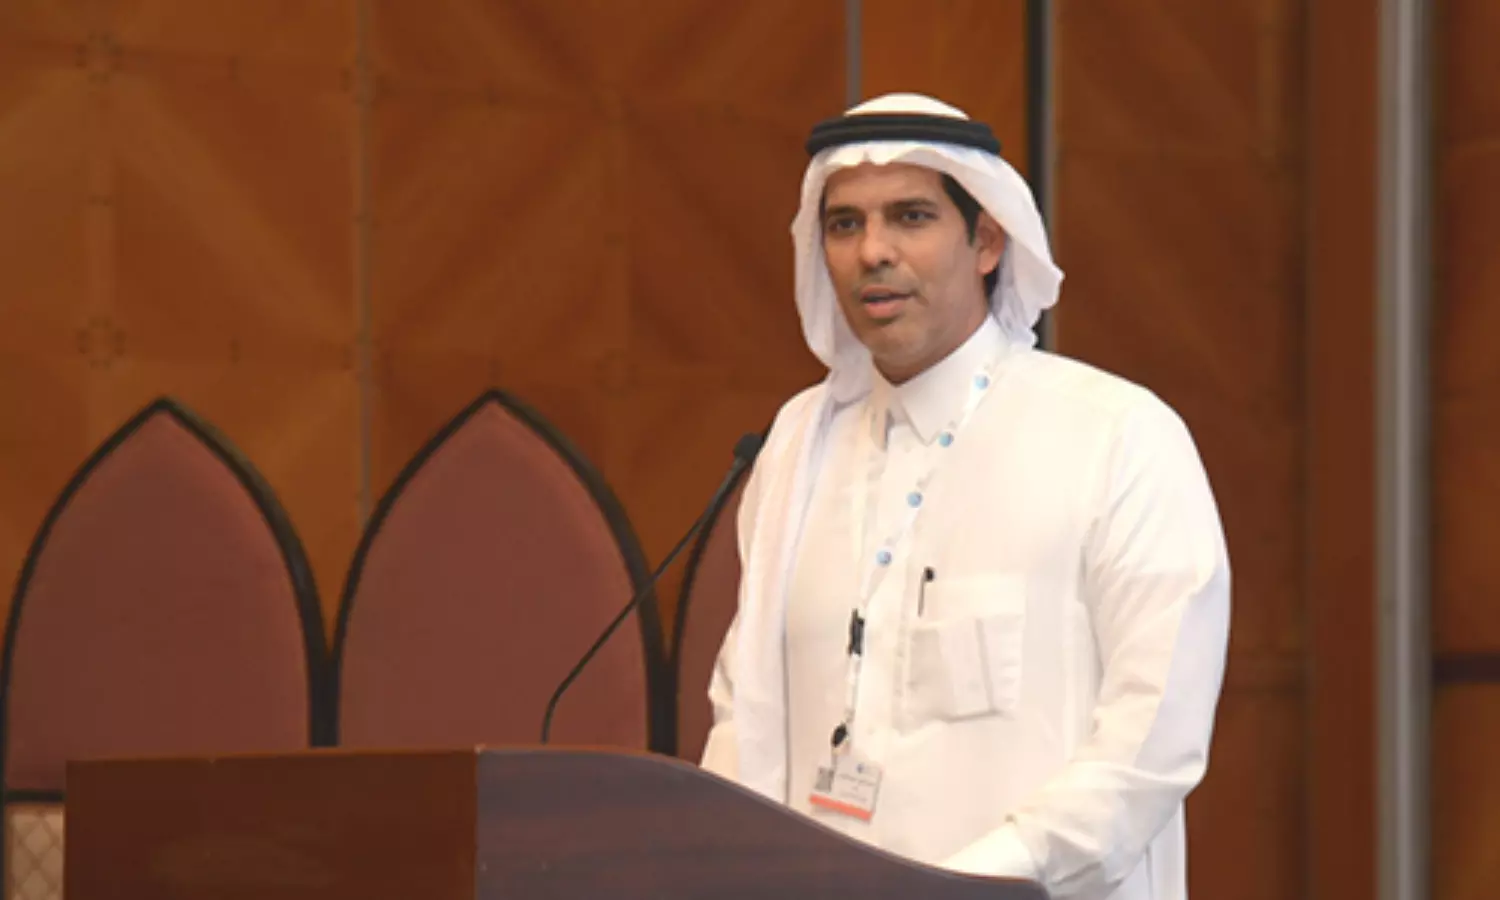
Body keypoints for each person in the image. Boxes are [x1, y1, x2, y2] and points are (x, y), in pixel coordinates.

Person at [698, 92, 1232, 900]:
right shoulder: (798, 445)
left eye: (910, 217)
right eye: (844, 224)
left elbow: (1151, 743)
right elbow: (744, 715)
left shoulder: (1117, 436)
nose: (873, 251)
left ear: (987, 241)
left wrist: (970, 884)